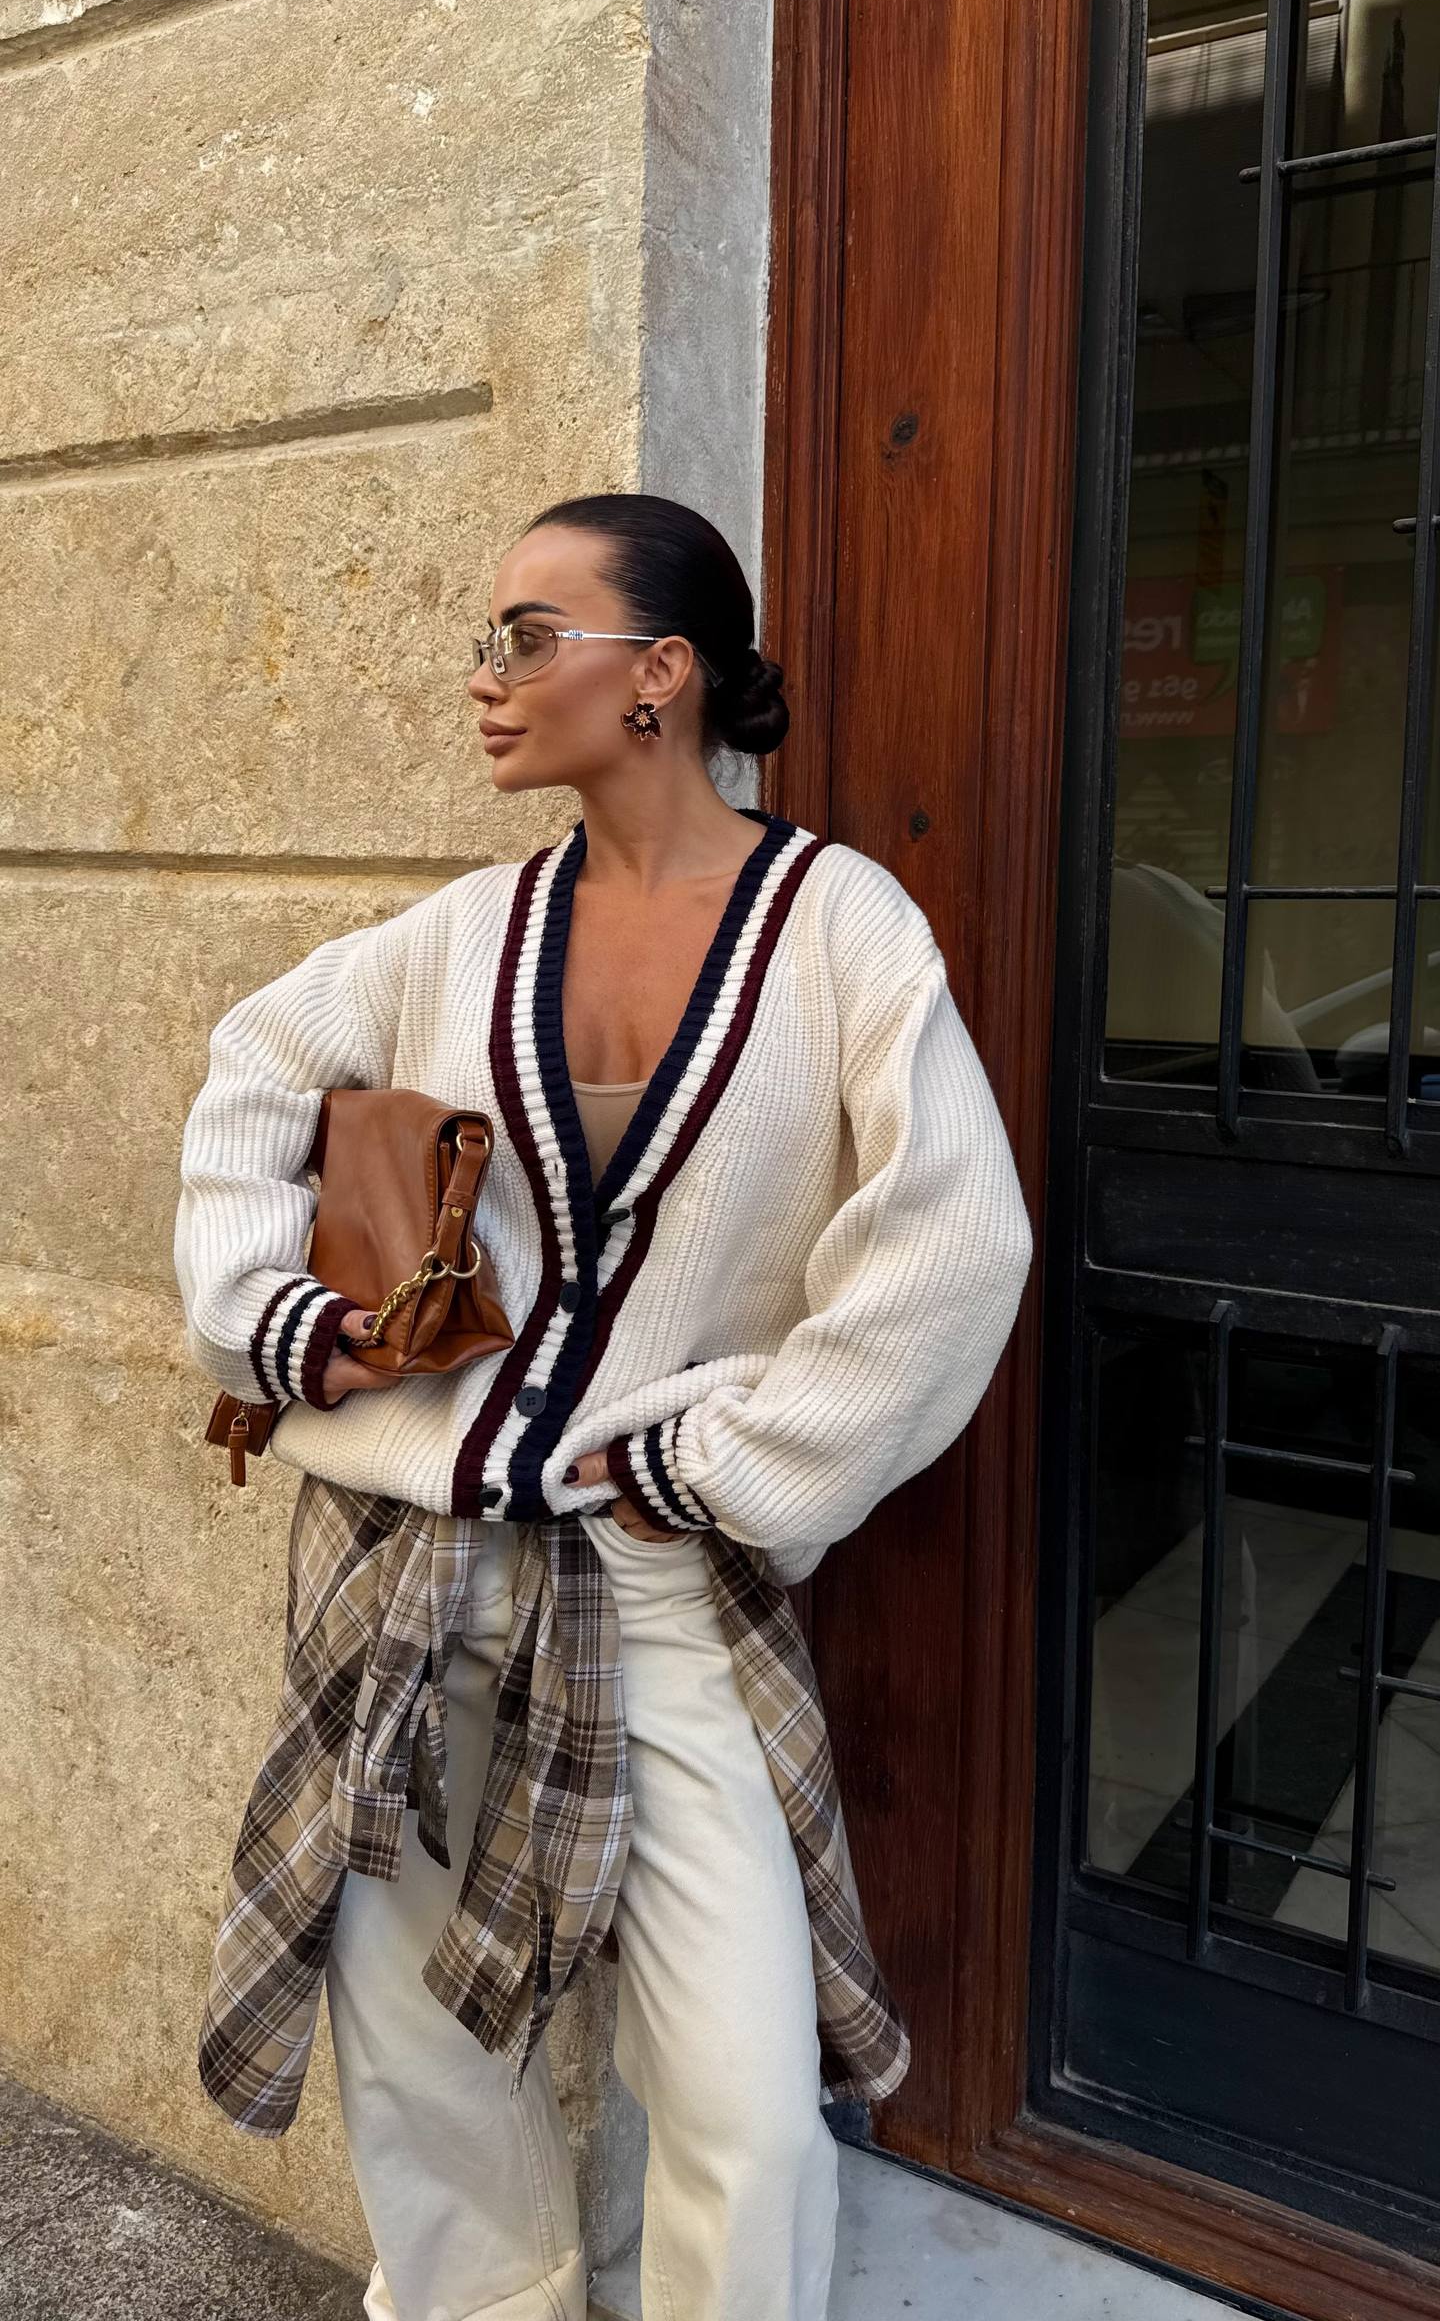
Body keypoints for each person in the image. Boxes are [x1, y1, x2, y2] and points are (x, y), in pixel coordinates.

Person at [173, 491, 1033, 2321]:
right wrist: (282, 1326)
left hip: (653, 1582)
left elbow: (957, 1245)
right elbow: (255, 1070)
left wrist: (719, 1462)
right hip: (413, 1562)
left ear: (660, 675)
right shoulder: (458, 932)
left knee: (744, 2105)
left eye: (524, 636)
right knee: (417, 2050)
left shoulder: (837, 933)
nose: (486, 680)